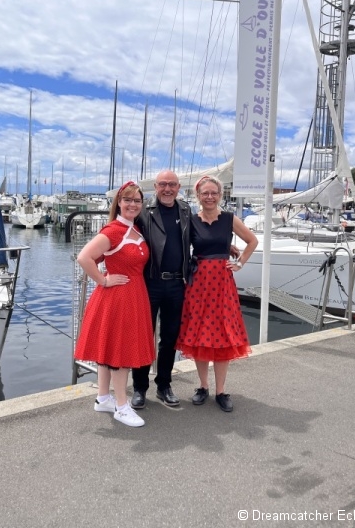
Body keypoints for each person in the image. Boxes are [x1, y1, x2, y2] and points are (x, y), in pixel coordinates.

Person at [74, 181, 155, 427]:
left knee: (112, 349)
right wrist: (103, 280)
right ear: (119, 202)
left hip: (133, 296)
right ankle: (121, 406)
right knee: (121, 352)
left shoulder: (134, 229)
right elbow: (84, 257)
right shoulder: (114, 231)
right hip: (118, 298)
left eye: (137, 201)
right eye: (127, 200)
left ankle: (103, 398)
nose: (133, 204)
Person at [175, 176, 258, 412]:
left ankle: (221, 391)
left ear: (220, 195)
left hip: (222, 284)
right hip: (199, 284)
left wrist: (240, 263)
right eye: (205, 193)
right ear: (198, 196)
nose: (209, 197)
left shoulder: (229, 219)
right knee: (200, 334)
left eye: (214, 193)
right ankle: (203, 386)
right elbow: (181, 248)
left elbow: (252, 241)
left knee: (223, 334)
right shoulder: (191, 221)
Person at [130, 170, 191, 409]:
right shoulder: (143, 210)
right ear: (155, 187)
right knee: (143, 336)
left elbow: (197, 237)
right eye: (163, 184)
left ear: (178, 187)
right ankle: (139, 388)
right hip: (149, 283)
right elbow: (124, 234)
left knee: (170, 338)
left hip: (176, 284)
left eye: (172, 185)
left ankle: (164, 385)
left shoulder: (185, 210)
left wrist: (225, 247)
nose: (167, 189)